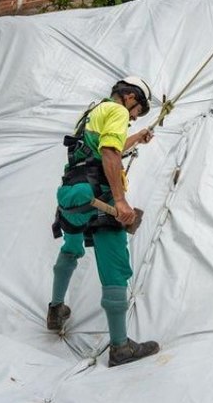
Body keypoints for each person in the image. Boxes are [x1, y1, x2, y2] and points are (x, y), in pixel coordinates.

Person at [47, 76, 160, 367]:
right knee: (115, 268)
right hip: (100, 198)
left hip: (72, 195)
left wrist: (137, 138)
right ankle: (120, 347)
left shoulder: (92, 113)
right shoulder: (119, 112)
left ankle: (56, 309)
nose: (134, 118)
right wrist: (120, 201)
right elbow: (110, 153)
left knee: (71, 249)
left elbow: (107, 148)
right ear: (130, 97)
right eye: (138, 110)